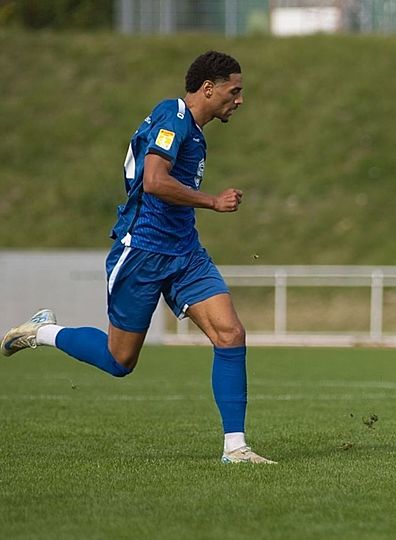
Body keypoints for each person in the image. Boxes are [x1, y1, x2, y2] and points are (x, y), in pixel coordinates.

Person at [1, 51, 274, 465]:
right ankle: (43, 331)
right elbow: (154, 181)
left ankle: (235, 448)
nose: (239, 100)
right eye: (234, 91)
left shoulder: (193, 132)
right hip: (143, 251)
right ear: (208, 88)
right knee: (119, 361)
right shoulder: (172, 117)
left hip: (185, 252)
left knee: (231, 334)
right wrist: (212, 201)